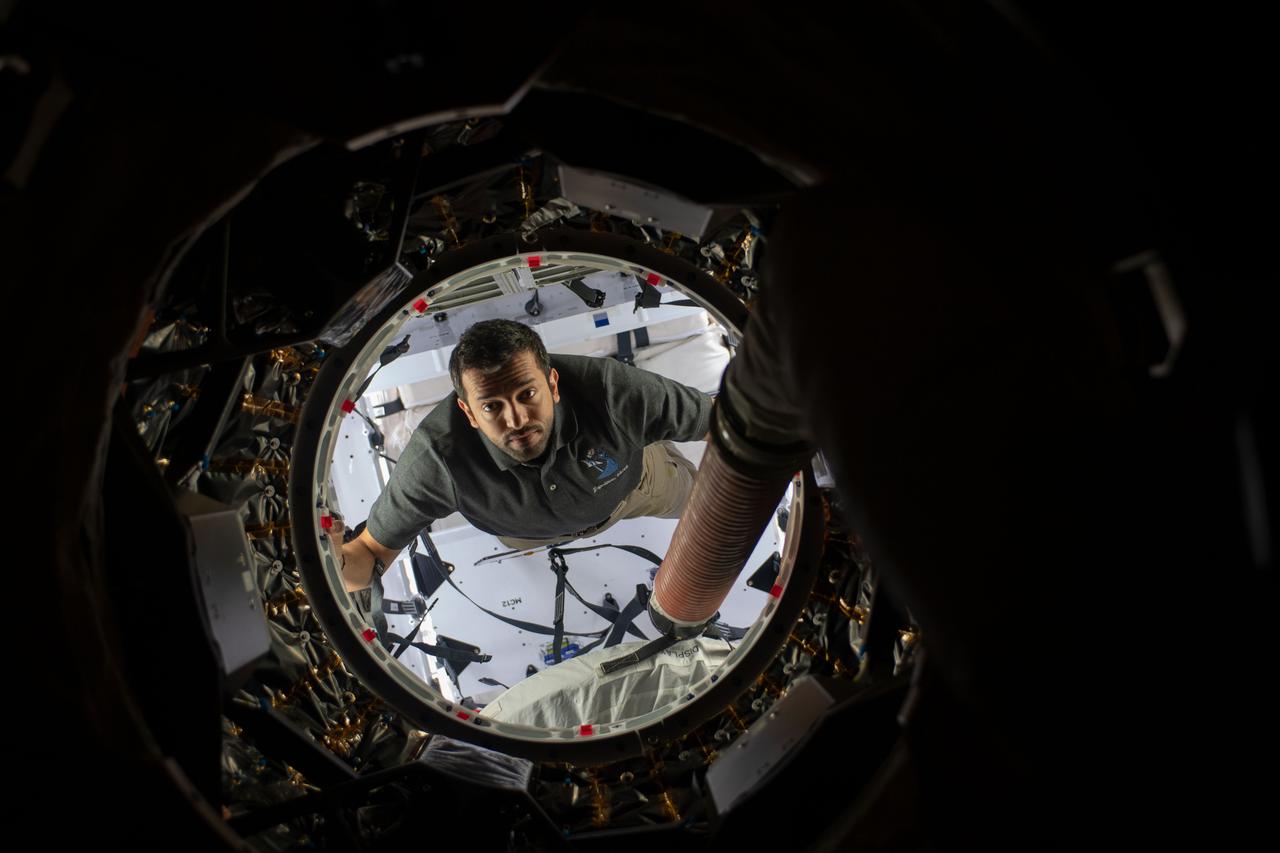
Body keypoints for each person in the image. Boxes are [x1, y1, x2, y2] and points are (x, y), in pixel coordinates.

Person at [337, 319, 711, 592]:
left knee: (703, 504)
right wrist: (333, 560)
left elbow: (722, 423)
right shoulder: (435, 460)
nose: (516, 420)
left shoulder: (612, 391)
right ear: (468, 413)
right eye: (492, 407)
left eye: (527, 395)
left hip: (637, 487)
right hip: (527, 534)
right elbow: (368, 555)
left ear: (553, 384)